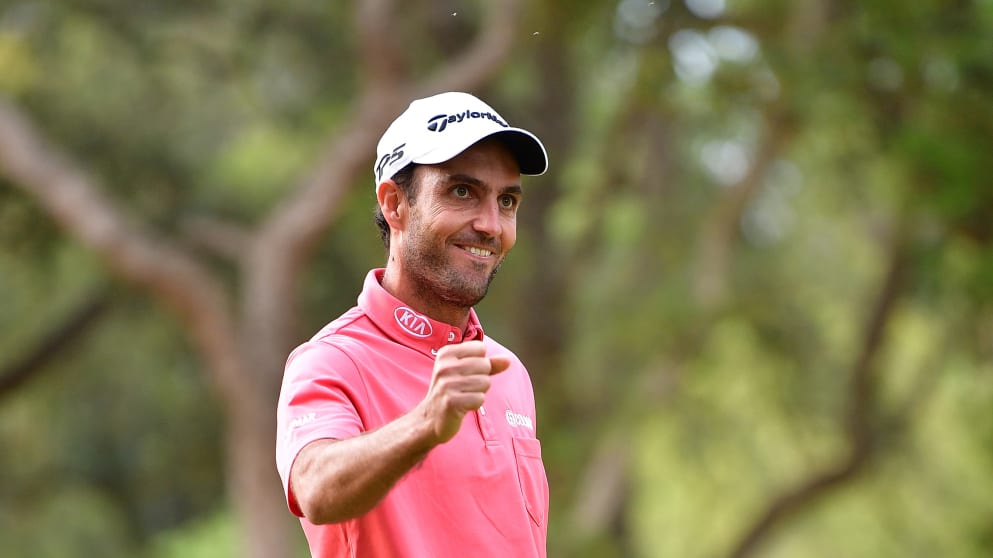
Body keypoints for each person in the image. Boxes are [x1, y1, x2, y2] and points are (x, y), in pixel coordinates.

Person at [275, 91, 550, 557]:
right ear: (394, 204)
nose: (490, 224)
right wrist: (426, 422)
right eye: (462, 192)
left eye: (506, 201)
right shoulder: (333, 361)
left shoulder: (508, 370)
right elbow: (315, 488)